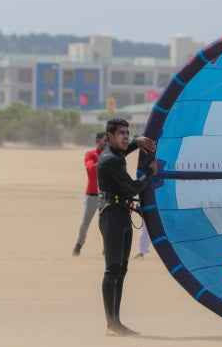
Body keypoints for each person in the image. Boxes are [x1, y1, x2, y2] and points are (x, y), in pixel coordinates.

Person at [97, 118, 157, 336]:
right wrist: (150, 173)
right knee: (112, 270)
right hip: (111, 217)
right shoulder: (109, 160)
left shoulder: (118, 153)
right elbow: (132, 188)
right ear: (109, 136)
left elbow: (125, 147)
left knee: (121, 271)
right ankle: (110, 323)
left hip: (122, 215)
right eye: (120, 133)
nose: (124, 136)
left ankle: (117, 322)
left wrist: (135, 140)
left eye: (127, 132)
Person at [72, 132, 107, 256]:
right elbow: (91, 169)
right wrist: (105, 163)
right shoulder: (90, 154)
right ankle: (79, 244)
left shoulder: (111, 155)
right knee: (85, 222)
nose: (106, 143)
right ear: (98, 140)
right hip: (92, 194)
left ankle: (107, 248)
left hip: (106, 195)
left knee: (107, 223)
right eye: (104, 140)